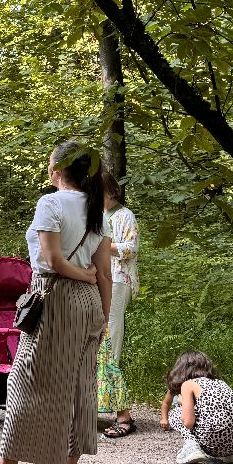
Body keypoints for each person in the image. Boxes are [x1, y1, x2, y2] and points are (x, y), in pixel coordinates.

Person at [0, 141, 112, 464]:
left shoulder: (50, 203)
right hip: (89, 305)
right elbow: (105, 273)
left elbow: (52, 261)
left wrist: (82, 276)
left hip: (54, 298)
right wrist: (103, 316)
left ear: (57, 169)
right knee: (78, 384)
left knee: (26, 380)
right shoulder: (97, 209)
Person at [98, 173, 140, 438]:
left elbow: (131, 248)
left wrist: (104, 246)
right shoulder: (95, 215)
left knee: (110, 341)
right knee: (99, 341)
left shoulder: (124, 215)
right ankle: (100, 403)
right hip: (99, 279)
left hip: (118, 279)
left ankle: (121, 411)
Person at [162, 351, 233, 464]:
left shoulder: (188, 384)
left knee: (175, 414)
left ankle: (191, 448)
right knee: (212, 415)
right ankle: (231, 455)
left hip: (212, 443)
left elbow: (188, 422)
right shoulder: (220, 383)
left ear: (181, 370)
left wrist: (182, 403)